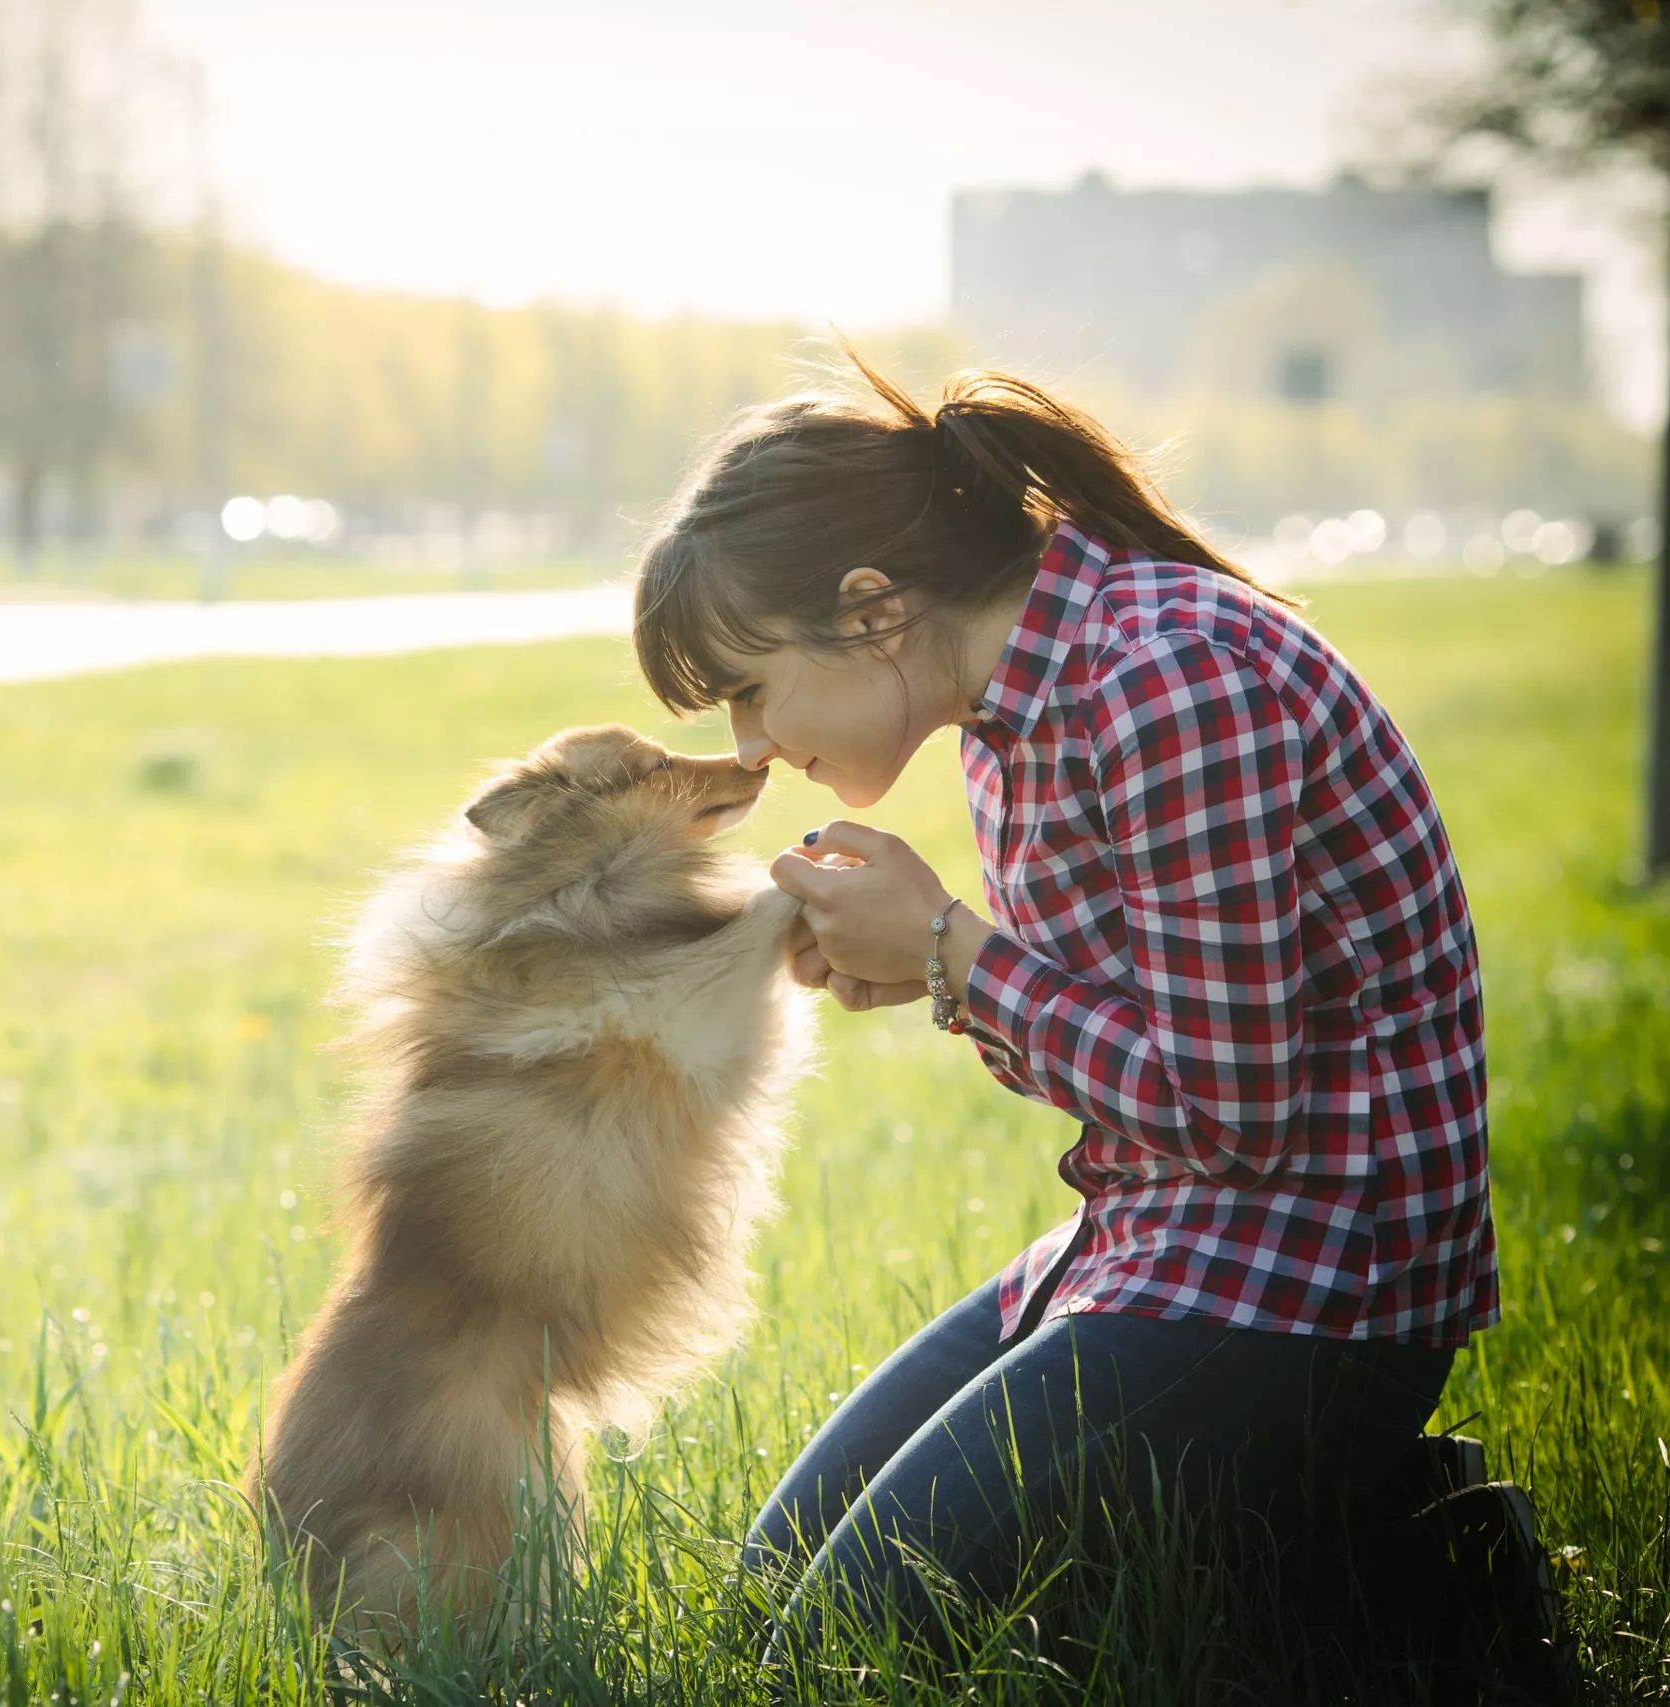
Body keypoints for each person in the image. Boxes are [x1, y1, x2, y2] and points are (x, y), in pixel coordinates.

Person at [626, 348, 1557, 1687]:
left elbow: (1232, 1113)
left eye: (751, 685)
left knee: (838, 1655)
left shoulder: (1166, 676)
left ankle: (1393, 1579)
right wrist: (935, 976)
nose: (752, 745)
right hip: (1152, 1240)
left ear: (873, 609)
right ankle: (1357, 1572)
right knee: (777, 1594)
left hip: (1305, 1296)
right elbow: (1139, 1034)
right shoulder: (1014, 705)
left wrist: (953, 949)